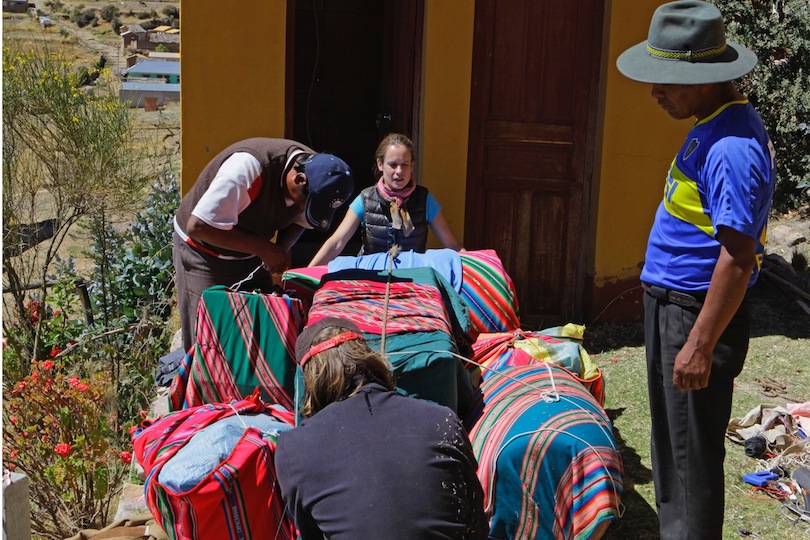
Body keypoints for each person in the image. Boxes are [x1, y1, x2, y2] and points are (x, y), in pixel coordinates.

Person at [616, 2, 775, 538]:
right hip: (674, 308)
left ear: (706, 80)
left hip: (692, 314)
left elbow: (738, 255)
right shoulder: (710, 125)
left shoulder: (731, 145)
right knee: (674, 455)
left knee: (689, 467)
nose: (656, 92)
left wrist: (701, 344)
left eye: (667, 82)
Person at [275, 317, 489, 539]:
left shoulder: (293, 447)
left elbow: (312, 533)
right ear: (370, 358)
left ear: (312, 378)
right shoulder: (443, 419)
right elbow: (477, 524)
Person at [172, 138, 353, 352]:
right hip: (203, 252)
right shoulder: (248, 169)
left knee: (262, 327)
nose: (303, 209)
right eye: (307, 204)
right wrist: (266, 249)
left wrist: (282, 249)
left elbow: (302, 221)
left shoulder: (320, 176)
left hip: (250, 251)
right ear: (299, 180)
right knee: (208, 337)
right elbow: (199, 226)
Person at [308, 133, 463, 266]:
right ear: (380, 164)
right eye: (393, 165)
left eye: (405, 165)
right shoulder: (365, 199)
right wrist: (306, 274)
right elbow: (337, 242)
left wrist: (475, 272)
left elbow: (452, 245)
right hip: (372, 275)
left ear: (412, 166)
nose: (399, 172)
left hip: (414, 276)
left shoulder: (424, 199)